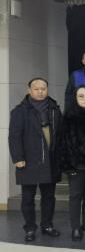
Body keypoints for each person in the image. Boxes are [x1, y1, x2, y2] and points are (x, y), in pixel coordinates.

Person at [9, 78, 62, 242]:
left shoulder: (54, 109)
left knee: (49, 197)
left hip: (50, 160)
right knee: (28, 198)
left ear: (47, 89)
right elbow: (14, 137)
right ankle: (30, 228)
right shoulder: (20, 111)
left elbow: (60, 134)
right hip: (28, 160)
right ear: (29, 90)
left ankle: (47, 225)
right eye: (36, 89)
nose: (40, 91)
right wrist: (18, 158)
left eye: (43, 88)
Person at [60, 85, 85, 241]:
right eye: (81, 96)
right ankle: (75, 227)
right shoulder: (69, 116)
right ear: (75, 99)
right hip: (76, 164)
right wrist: (69, 165)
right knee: (76, 196)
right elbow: (63, 143)